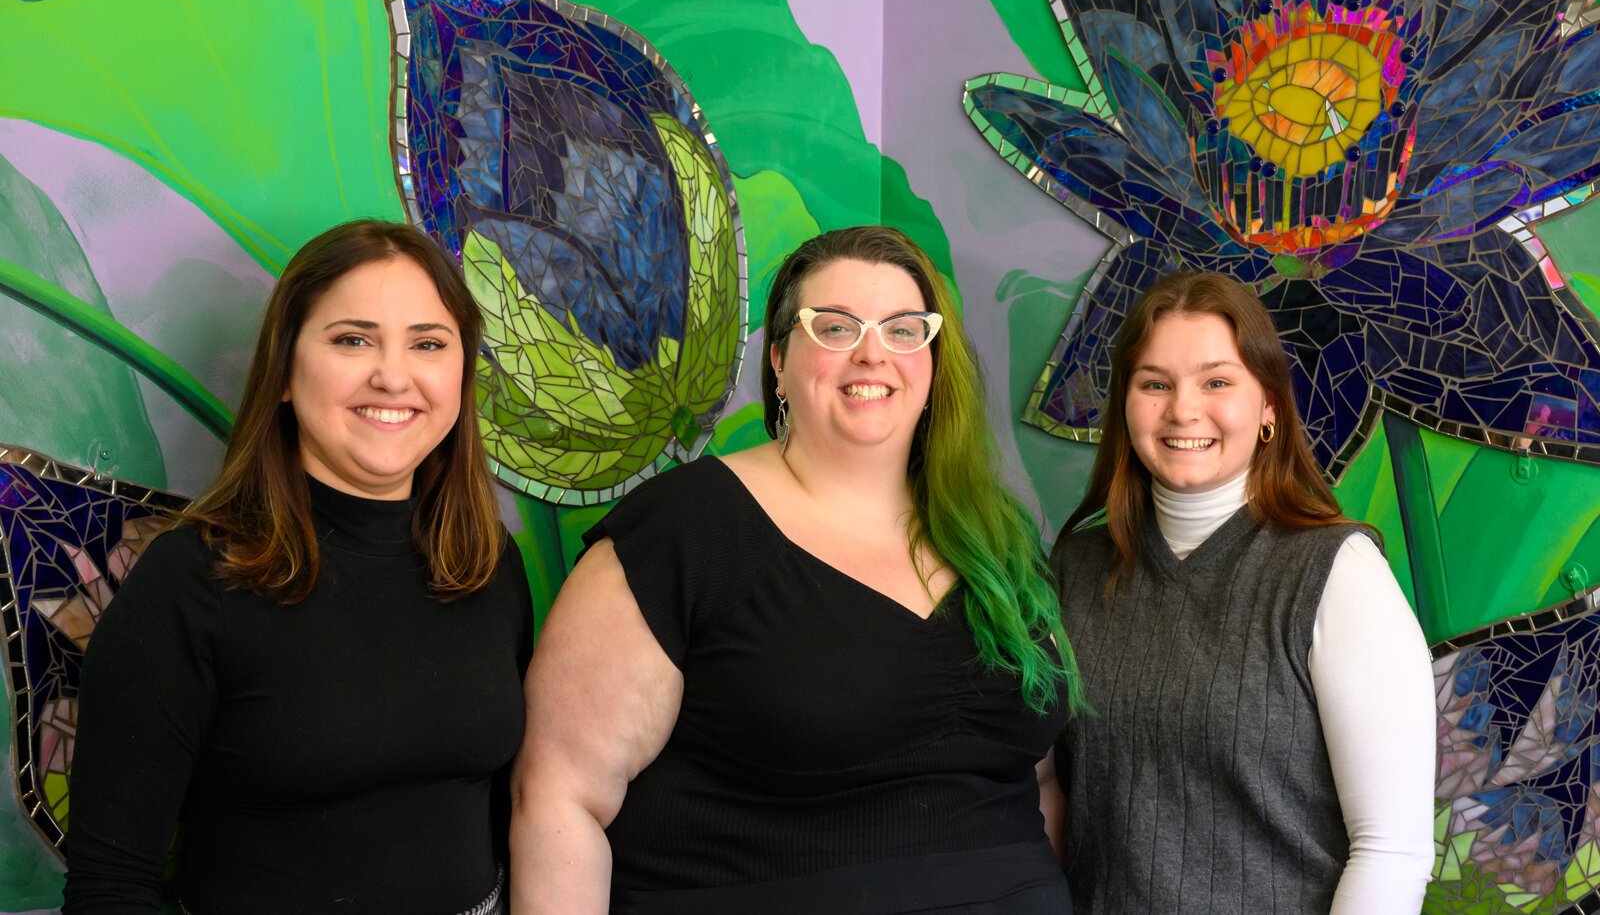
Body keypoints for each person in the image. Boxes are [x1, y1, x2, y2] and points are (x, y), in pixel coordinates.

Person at [510, 225, 1086, 913]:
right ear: (779, 360)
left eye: (905, 330)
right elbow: (559, 796)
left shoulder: (999, 541)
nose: (873, 352)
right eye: (836, 327)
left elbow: (1037, 777)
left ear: (932, 365)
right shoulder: (684, 530)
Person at [63, 220, 533, 914]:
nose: (394, 375)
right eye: (353, 339)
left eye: (429, 343)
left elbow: (509, 817)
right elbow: (110, 888)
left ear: (461, 374)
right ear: (284, 370)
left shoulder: (489, 564)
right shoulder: (191, 581)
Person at [1051, 270, 1436, 913]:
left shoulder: (1338, 573)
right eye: (1155, 383)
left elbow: (1391, 851)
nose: (1182, 409)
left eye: (1216, 381)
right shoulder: (1074, 569)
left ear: (1268, 408)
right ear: (1126, 403)